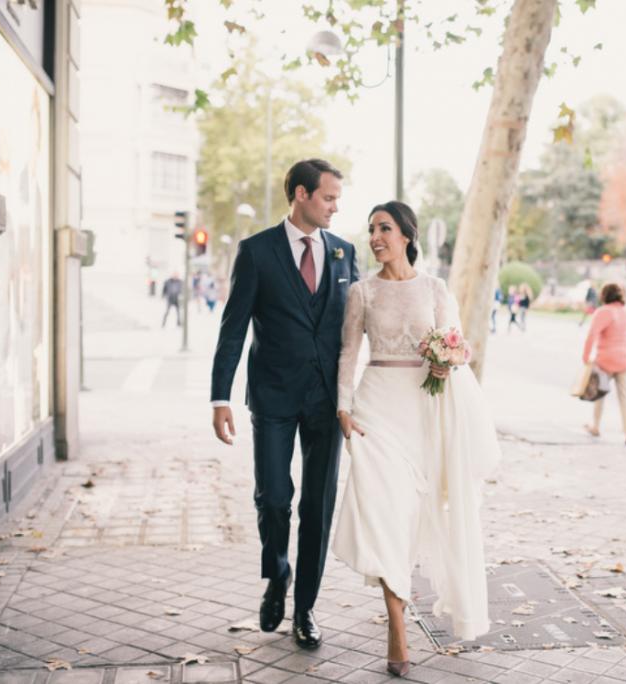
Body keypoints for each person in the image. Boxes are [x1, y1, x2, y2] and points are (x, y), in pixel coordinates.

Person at [334, 201, 499, 678]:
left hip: (424, 413)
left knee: (410, 517)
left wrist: (448, 357)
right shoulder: (361, 293)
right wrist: (343, 409)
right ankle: (397, 627)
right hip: (375, 411)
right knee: (385, 513)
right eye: (370, 230)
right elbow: (349, 354)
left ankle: (401, 607)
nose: (375, 237)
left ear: (406, 234)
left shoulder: (434, 288)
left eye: (384, 228)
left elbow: (455, 345)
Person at [210, 159, 359, 650]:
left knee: (317, 506)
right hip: (272, 395)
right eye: (329, 197)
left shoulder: (343, 253)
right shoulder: (257, 252)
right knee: (274, 498)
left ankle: (306, 609)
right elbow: (233, 328)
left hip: (326, 403)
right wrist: (220, 396)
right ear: (301, 194)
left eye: (338, 198)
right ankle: (277, 572)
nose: (336, 206)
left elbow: (359, 325)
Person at [581, 282, 626, 445]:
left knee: (599, 394)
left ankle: (596, 426)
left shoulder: (602, 312)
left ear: (604, 295)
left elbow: (592, 335)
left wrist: (585, 356)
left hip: (605, 360)